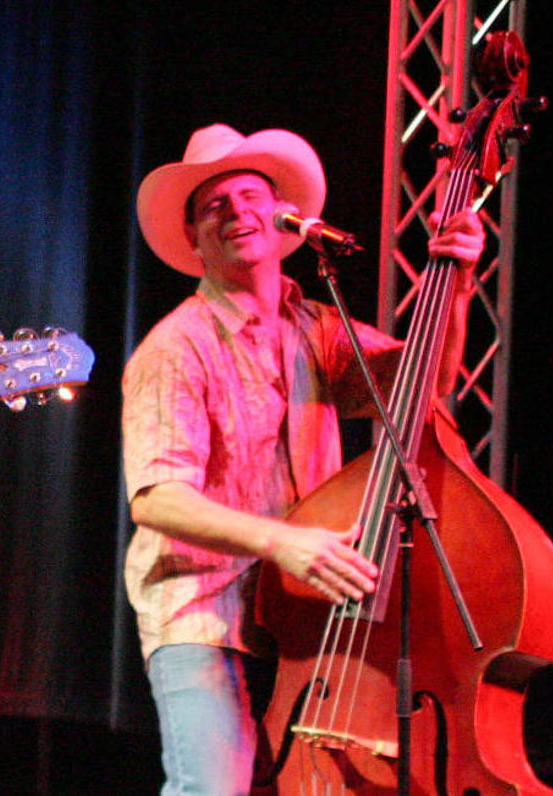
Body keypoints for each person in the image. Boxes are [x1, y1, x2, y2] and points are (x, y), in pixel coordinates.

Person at [121, 124, 484, 794]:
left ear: (285, 216)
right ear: (195, 243)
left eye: (251, 195)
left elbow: (421, 390)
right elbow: (156, 497)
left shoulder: (316, 326)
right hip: (205, 611)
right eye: (216, 206)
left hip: (302, 615)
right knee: (214, 788)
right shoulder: (175, 348)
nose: (238, 212)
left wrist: (456, 284)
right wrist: (283, 542)